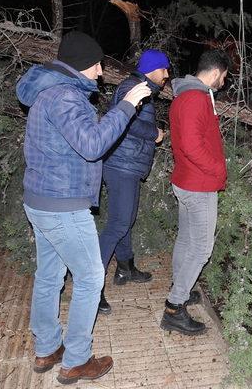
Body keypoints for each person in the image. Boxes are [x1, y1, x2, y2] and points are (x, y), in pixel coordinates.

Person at [16, 31, 151, 384]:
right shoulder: (65, 96)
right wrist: (127, 105)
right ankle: (76, 359)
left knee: (49, 276)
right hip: (62, 205)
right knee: (91, 278)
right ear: (83, 65)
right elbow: (92, 145)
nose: (101, 72)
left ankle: (47, 347)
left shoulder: (50, 91)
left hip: (42, 200)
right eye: (97, 65)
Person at [160, 49, 230, 335]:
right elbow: (191, 146)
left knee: (187, 240)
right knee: (201, 248)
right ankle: (174, 308)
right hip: (198, 184)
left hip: (188, 180)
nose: (223, 83)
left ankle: (181, 287)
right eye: (223, 77)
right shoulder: (194, 99)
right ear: (214, 73)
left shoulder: (187, 96)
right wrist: (218, 169)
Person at [97, 49, 170, 315]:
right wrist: (155, 133)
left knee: (125, 220)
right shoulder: (133, 87)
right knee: (118, 224)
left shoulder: (140, 87)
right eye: (165, 69)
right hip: (121, 166)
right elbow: (126, 121)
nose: (167, 75)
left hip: (127, 165)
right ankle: (93, 287)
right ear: (153, 68)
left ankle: (125, 267)